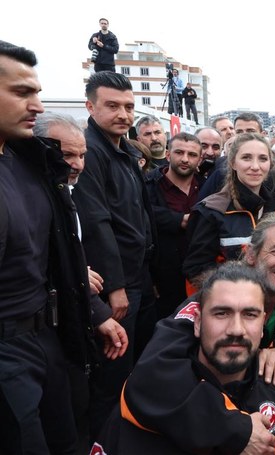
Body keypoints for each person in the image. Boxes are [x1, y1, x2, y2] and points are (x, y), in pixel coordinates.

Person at [0, 40, 125, 453]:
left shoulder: (31, 170)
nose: (36, 105)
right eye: (22, 92)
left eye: (37, 92)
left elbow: (55, 261)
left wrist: (96, 314)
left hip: (48, 340)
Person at [92, 262, 275, 454]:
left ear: (263, 324)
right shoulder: (149, 399)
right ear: (196, 321)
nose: (236, 329)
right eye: (221, 313)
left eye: (249, 315)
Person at [72, 70, 156, 438]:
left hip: (137, 277)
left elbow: (136, 216)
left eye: (128, 107)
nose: (123, 114)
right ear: (90, 106)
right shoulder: (89, 152)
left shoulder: (123, 150)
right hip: (114, 286)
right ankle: (102, 442)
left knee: (130, 369)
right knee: (112, 374)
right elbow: (96, 223)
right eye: (112, 106)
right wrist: (117, 288)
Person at [183, 133, 275, 290]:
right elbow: (197, 270)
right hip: (231, 304)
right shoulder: (211, 211)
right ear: (233, 163)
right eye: (246, 158)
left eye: (263, 159)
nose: (255, 166)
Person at [145, 132, 203, 318]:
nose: (185, 159)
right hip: (162, 281)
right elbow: (141, 216)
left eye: (192, 155)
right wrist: (178, 220)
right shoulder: (149, 185)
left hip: (199, 279)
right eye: (179, 152)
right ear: (168, 154)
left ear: (200, 159)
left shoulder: (207, 187)